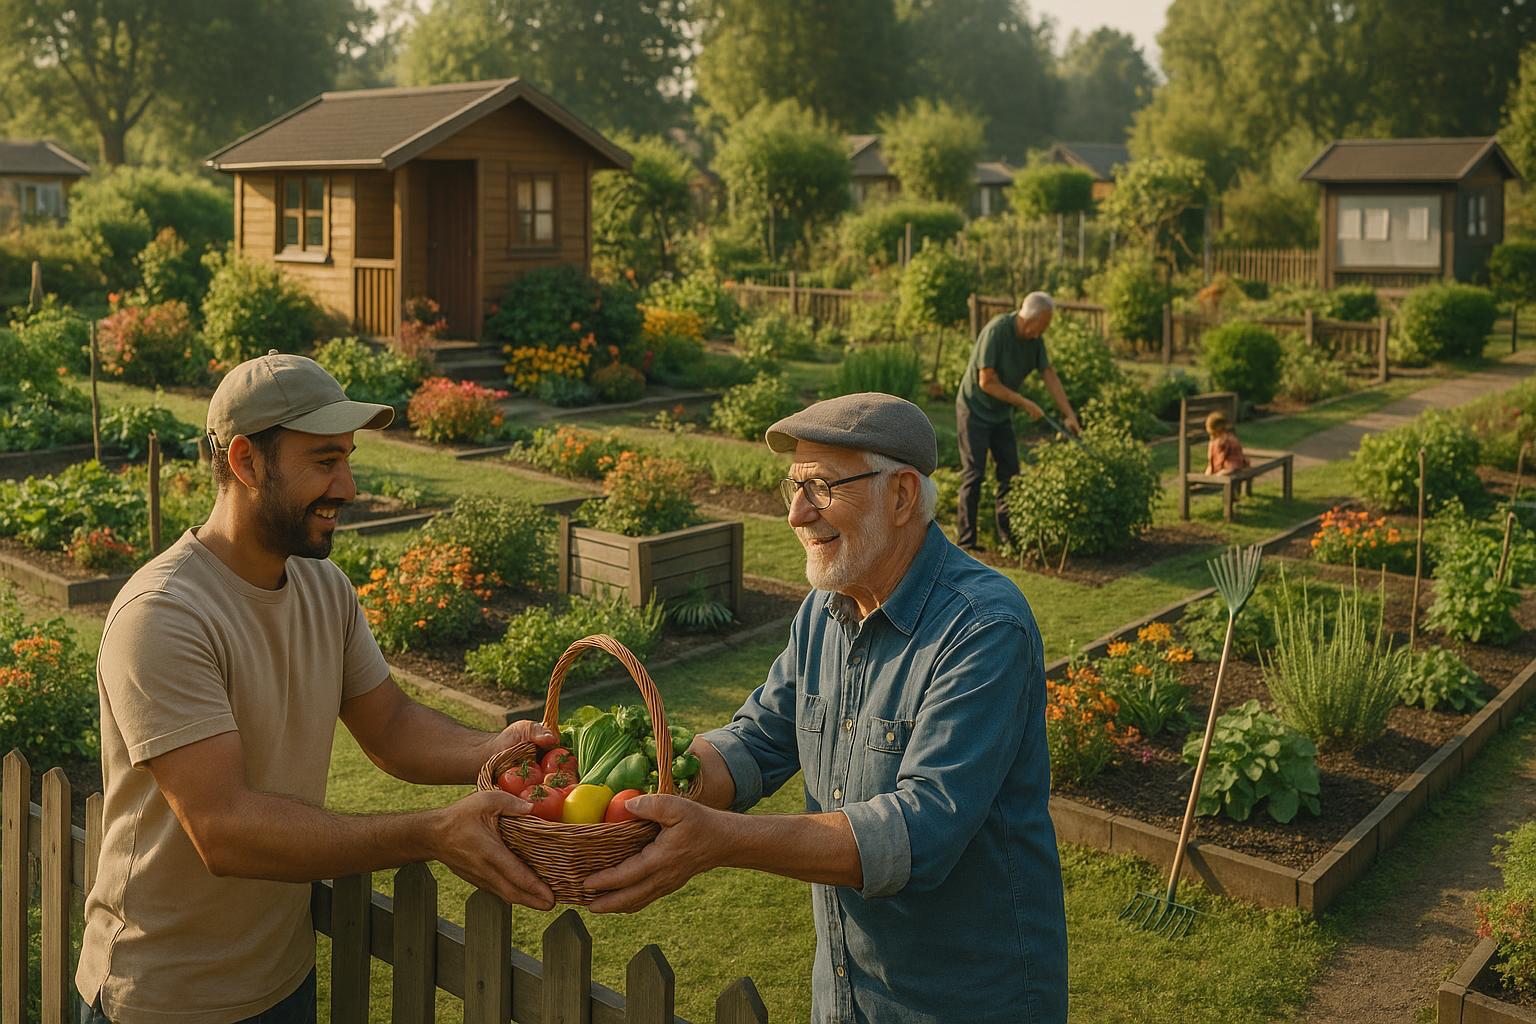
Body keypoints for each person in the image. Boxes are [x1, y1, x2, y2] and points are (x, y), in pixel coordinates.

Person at [76, 352, 556, 1024]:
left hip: (283, 977)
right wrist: (432, 832)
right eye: (325, 461)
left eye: (347, 459)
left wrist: (502, 747)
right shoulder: (163, 614)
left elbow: (391, 726)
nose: (348, 486)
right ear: (247, 462)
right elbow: (225, 830)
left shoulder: (322, 586)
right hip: (164, 996)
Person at [582, 392, 1068, 1024]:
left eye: (822, 486)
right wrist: (642, 792)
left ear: (901, 496)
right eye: (794, 485)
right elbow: (758, 740)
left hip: (967, 1001)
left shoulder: (983, 628)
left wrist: (717, 841)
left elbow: (922, 831)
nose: (797, 513)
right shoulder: (827, 608)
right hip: (844, 995)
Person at [955, 291, 1082, 551]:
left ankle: (1009, 540)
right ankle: (966, 543)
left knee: (1010, 474)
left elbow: (1049, 375)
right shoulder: (997, 331)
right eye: (1043, 324)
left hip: (1000, 414)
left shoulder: (1035, 341)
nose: (1044, 330)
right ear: (1029, 318)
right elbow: (987, 382)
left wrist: (1069, 414)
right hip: (974, 409)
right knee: (974, 474)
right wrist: (1024, 403)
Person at [1205, 410, 1251, 475]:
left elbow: (1232, 464)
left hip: (1232, 467)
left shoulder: (1227, 442)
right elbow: (1212, 463)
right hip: (1231, 466)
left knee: (1221, 474)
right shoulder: (1216, 442)